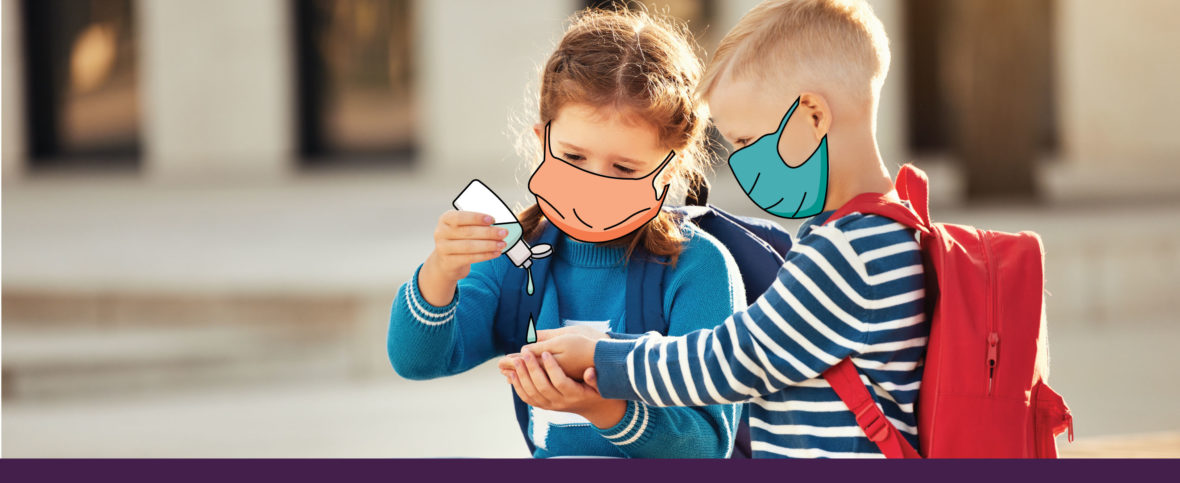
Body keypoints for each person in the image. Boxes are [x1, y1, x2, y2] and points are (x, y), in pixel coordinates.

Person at [509, 0, 930, 458]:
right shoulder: (883, 230)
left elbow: (733, 361)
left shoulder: (848, 251)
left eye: (747, 140)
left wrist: (603, 355)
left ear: (813, 114)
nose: (742, 160)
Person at [389, 8, 741, 458]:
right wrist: (440, 271)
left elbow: (708, 446)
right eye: (574, 157)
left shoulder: (698, 269)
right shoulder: (515, 258)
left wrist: (606, 408)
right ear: (542, 141)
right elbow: (417, 360)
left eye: (623, 167)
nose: (595, 180)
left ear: (667, 171)